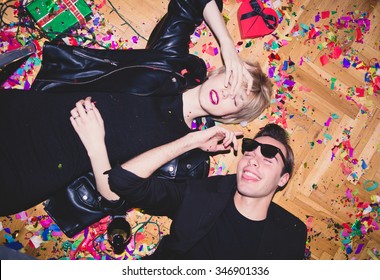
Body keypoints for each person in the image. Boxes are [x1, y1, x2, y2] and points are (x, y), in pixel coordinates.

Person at [0, 0, 273, 216]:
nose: (226, 92)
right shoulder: (169, 63)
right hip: (25, 113)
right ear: (218, 72)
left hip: (32, 171)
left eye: (235, 100)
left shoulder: (190, 159)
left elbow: (115, 199)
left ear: (231, 117)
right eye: (232, 80)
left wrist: (96, 147)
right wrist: (228, 46)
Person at [83, 114, 307, 259]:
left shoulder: (291, 234)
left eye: (268, 158)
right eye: (249, 151)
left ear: (283, 179)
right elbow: (123, 181)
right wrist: (191, 141)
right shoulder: (201, 194)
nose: (253, 159)